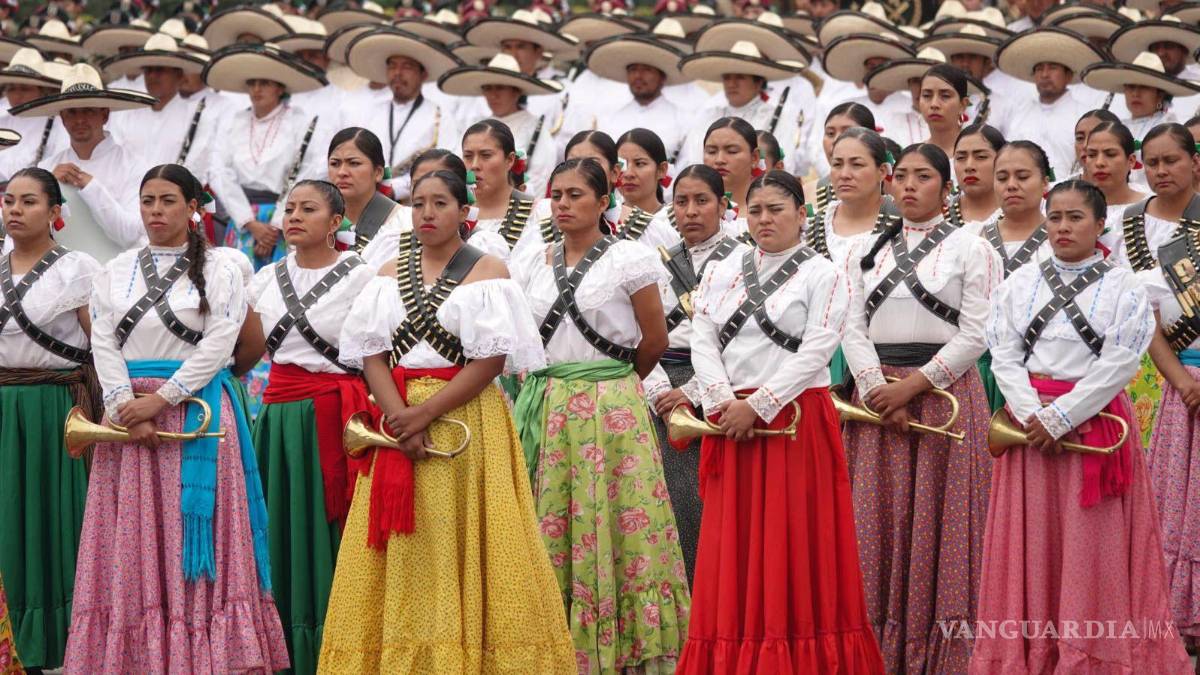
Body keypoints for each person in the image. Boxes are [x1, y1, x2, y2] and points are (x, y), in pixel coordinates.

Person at [319, 169, 574, 673]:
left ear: (464, 211)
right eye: (418, 204)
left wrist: (422, 415)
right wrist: (398, 419)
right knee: (405, 545)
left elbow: (490, 361)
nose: (427, 213)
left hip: (466, 419)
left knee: (471, 538)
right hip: (398, 417)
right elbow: (373, 354)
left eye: (440, 203)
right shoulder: (389, 272)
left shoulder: (488, 270)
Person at [66, 164, 288, 672]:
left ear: (192, 208)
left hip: (195, 414)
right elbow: (103, 341)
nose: (156, 211)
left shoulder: (223, 268)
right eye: (147, 201)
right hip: (127, 416)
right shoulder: (115, 269)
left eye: (168, 200)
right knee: (132, 538)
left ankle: (204, 656)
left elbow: (221, 342)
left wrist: (162, 399)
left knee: (195, 536)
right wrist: (124, 407)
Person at [971, 179, 1191, 673]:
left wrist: (1063, 416)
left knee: (1093, 542)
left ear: (1099, 224)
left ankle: (1092, 654)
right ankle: (1030, 652)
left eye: (1075, 217)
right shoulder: (1019, 283)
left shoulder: (1124, 287)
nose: (1063, 227)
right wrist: (1032, 413)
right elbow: (1004, 353)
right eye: (1055, 217)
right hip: (1028, 427)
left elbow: (1121, 361)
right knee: (1033, 541)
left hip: (1095, 422)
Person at [676, 169, 884, 673]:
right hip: (731, 420)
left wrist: (761, 405)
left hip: (795, 421)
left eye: (776, 209)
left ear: (801, 214)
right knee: (733, 546)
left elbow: (819, 346)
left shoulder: (823, 273)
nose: (764, 219)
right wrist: (721, 401)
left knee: (796, 543)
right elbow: (702, 336)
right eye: (755, 210)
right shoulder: (721, 269)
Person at [512, 158, 689, 671]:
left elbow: (655, 338)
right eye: (557, 196)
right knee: (553, 518)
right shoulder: (536, 259)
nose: (563, 205)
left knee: (622, 517)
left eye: (575, 195)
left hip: (611, 403)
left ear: (603, 201)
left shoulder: (628, 257)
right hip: (549, 403)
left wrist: (614, 383)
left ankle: (629, 647)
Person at [841, 143, 1003, 673]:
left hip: (942, 395)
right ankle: (873, 644)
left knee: (943, 521)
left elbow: (976, 334)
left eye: (924, 176)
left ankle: (941, 650)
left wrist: (911, 388)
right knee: (875, 521)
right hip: (876, 400)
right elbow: (850, 326)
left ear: (946, 187)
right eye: (902, 176)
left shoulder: (972, 248)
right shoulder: (862, 249)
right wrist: (874, 387)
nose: (909, 185)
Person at [245, 179, 376, 673]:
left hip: (335, 415)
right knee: (279, 522)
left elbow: (377, 352)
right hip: (279, 418)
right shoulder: (265, 278)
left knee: (331, 524)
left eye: (309, 209)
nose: (295, 217)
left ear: (336, 222)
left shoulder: (362, 277)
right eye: (290, 209)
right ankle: (281, 643)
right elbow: (243, 349)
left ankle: (336, 641)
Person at [0, 167, 99, 671]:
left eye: (29, 201)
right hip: (3, 408)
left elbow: (103, 346)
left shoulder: (76, 269)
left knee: (52, 519)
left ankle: (61, 641)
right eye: (8, 201)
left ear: (55, 212)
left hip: (55, 410)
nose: (15, 210)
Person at [644, 163, 748, 584]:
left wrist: (692, 392)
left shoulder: (745, 260)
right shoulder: (653, 262)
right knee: (667, 500)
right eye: (681, 202)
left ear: (723, 205)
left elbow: (742, 340)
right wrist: (658, 392)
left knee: (710, 498)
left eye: (702, 201)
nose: (690, 211)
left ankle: (717, 593)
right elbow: (639, 333)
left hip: (720, 387)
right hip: (658, 387)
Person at [205, 44, 333, 270]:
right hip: (241, 216)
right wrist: (249, 222)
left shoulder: (299, 121)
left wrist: (276, 226)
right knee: (236, 278)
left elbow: (308, 171)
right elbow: (219, 171)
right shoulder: (234, 121)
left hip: (284, 217)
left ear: (280, 88)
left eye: (264, 83)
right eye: (252, 83)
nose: (256, 89)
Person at [10, 63, 158, 260]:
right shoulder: (47, 168)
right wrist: (47, 186)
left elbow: (128, 234)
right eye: (72, 112)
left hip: (113, 273)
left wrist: (90, 186)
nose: (79, 120)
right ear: (62, 118)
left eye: (88, 111)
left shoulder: (135, 167)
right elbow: (30, 230)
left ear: (104, 114)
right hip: (57, 271)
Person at [1114, 124, 1200, 441]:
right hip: (1131, 363)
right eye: (1152, 163)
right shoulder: (1125, 221)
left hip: (1191, 366)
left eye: (1171, 160)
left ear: (1194, 162)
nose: (1161, 171)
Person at [969, 141, 1056, 411]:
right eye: (1002, 177)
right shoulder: (972, 238)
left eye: (1023, 176)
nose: (1011, 185)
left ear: (1045, 182)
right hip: (981, 367)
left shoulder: (1061, 241)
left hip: (1043, 368)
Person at [438, 53, 561, 198]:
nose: (493, 95)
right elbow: (457, 168)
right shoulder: (475, 126)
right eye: (488, 88)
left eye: (500, 88)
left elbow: (540, 178)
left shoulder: (535, 128)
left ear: (516, 91)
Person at [994, 26, 1107, 181]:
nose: (1045, 74)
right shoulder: (1018, 114)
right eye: (1039, 69)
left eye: (1052, 68)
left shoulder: (1083, 116)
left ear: (1068, 75)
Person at [589, 32, 691, 161]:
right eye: (633, 70)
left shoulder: (682, 119)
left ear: (662, 78)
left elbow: (686, 162)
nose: (638, 76)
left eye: (647, 69)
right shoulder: (609, 117)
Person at [327, 127, 405, 254]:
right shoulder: (317, 221)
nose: (342, 172)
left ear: (378, 172)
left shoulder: (403, 222)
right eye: (335, 164)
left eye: (354, 163)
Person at [1082, 120, 1149, 256]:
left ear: (1131, 161)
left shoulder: (1149, 207)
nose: (1099, 163)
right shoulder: (1072, 205)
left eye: (1110, 154)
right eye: (1092, 155)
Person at [806, 101, 877, 212]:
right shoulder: (808, 193)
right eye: (830, 133)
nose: (836, 140)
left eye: (847, 132)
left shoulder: (890, 190)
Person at [700, 117, 759, 239]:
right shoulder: (685, 212)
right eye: (711, 152)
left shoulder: (769, 214)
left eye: (732, 151)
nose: (719, 160)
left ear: (754, 157)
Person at [951, 123, 1003, 228]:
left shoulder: (1022, 213)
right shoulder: (938, 215)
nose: (969, 166)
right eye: (961, 158)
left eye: (981, 157)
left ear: (1002, 160)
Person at [918, 64, 972, 161]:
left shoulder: (978, 154)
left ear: (963, 104)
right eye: (926, 95)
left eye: (945, 96)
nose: (934, 104)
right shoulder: (913, 157)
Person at [1068, 108, 1121, 180]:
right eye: (1080, 138)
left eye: (1094, 137)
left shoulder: (1135, 186)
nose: (1085, 145)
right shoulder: (1060, 187)